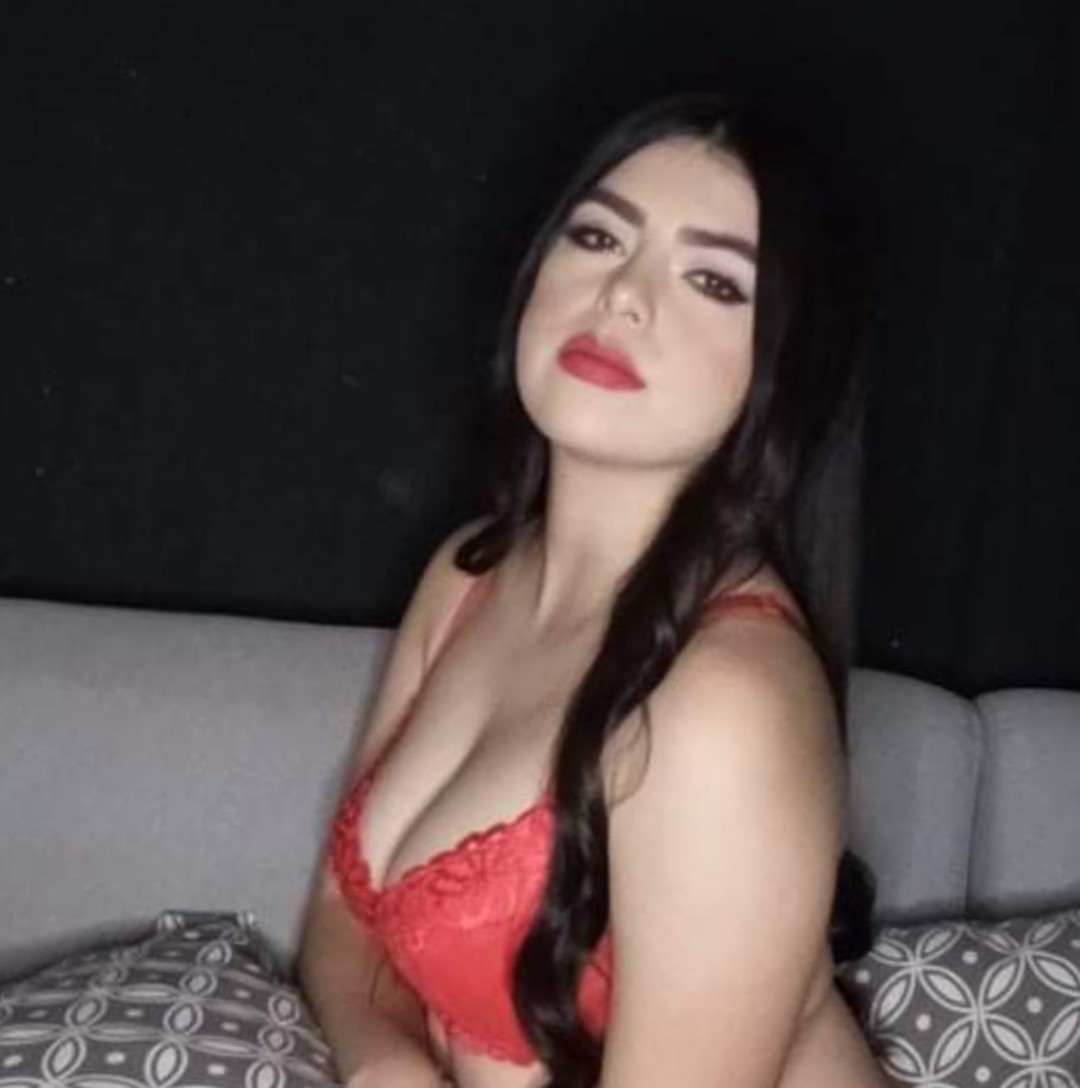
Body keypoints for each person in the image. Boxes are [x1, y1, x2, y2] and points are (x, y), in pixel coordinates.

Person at [298, 92, 887, 1088]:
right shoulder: (470, 575)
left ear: (785, 370)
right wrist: (387, 1069)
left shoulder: (727, 700)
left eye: (714, 280)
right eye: (599, 235)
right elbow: (338, 930)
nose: (621, 296)